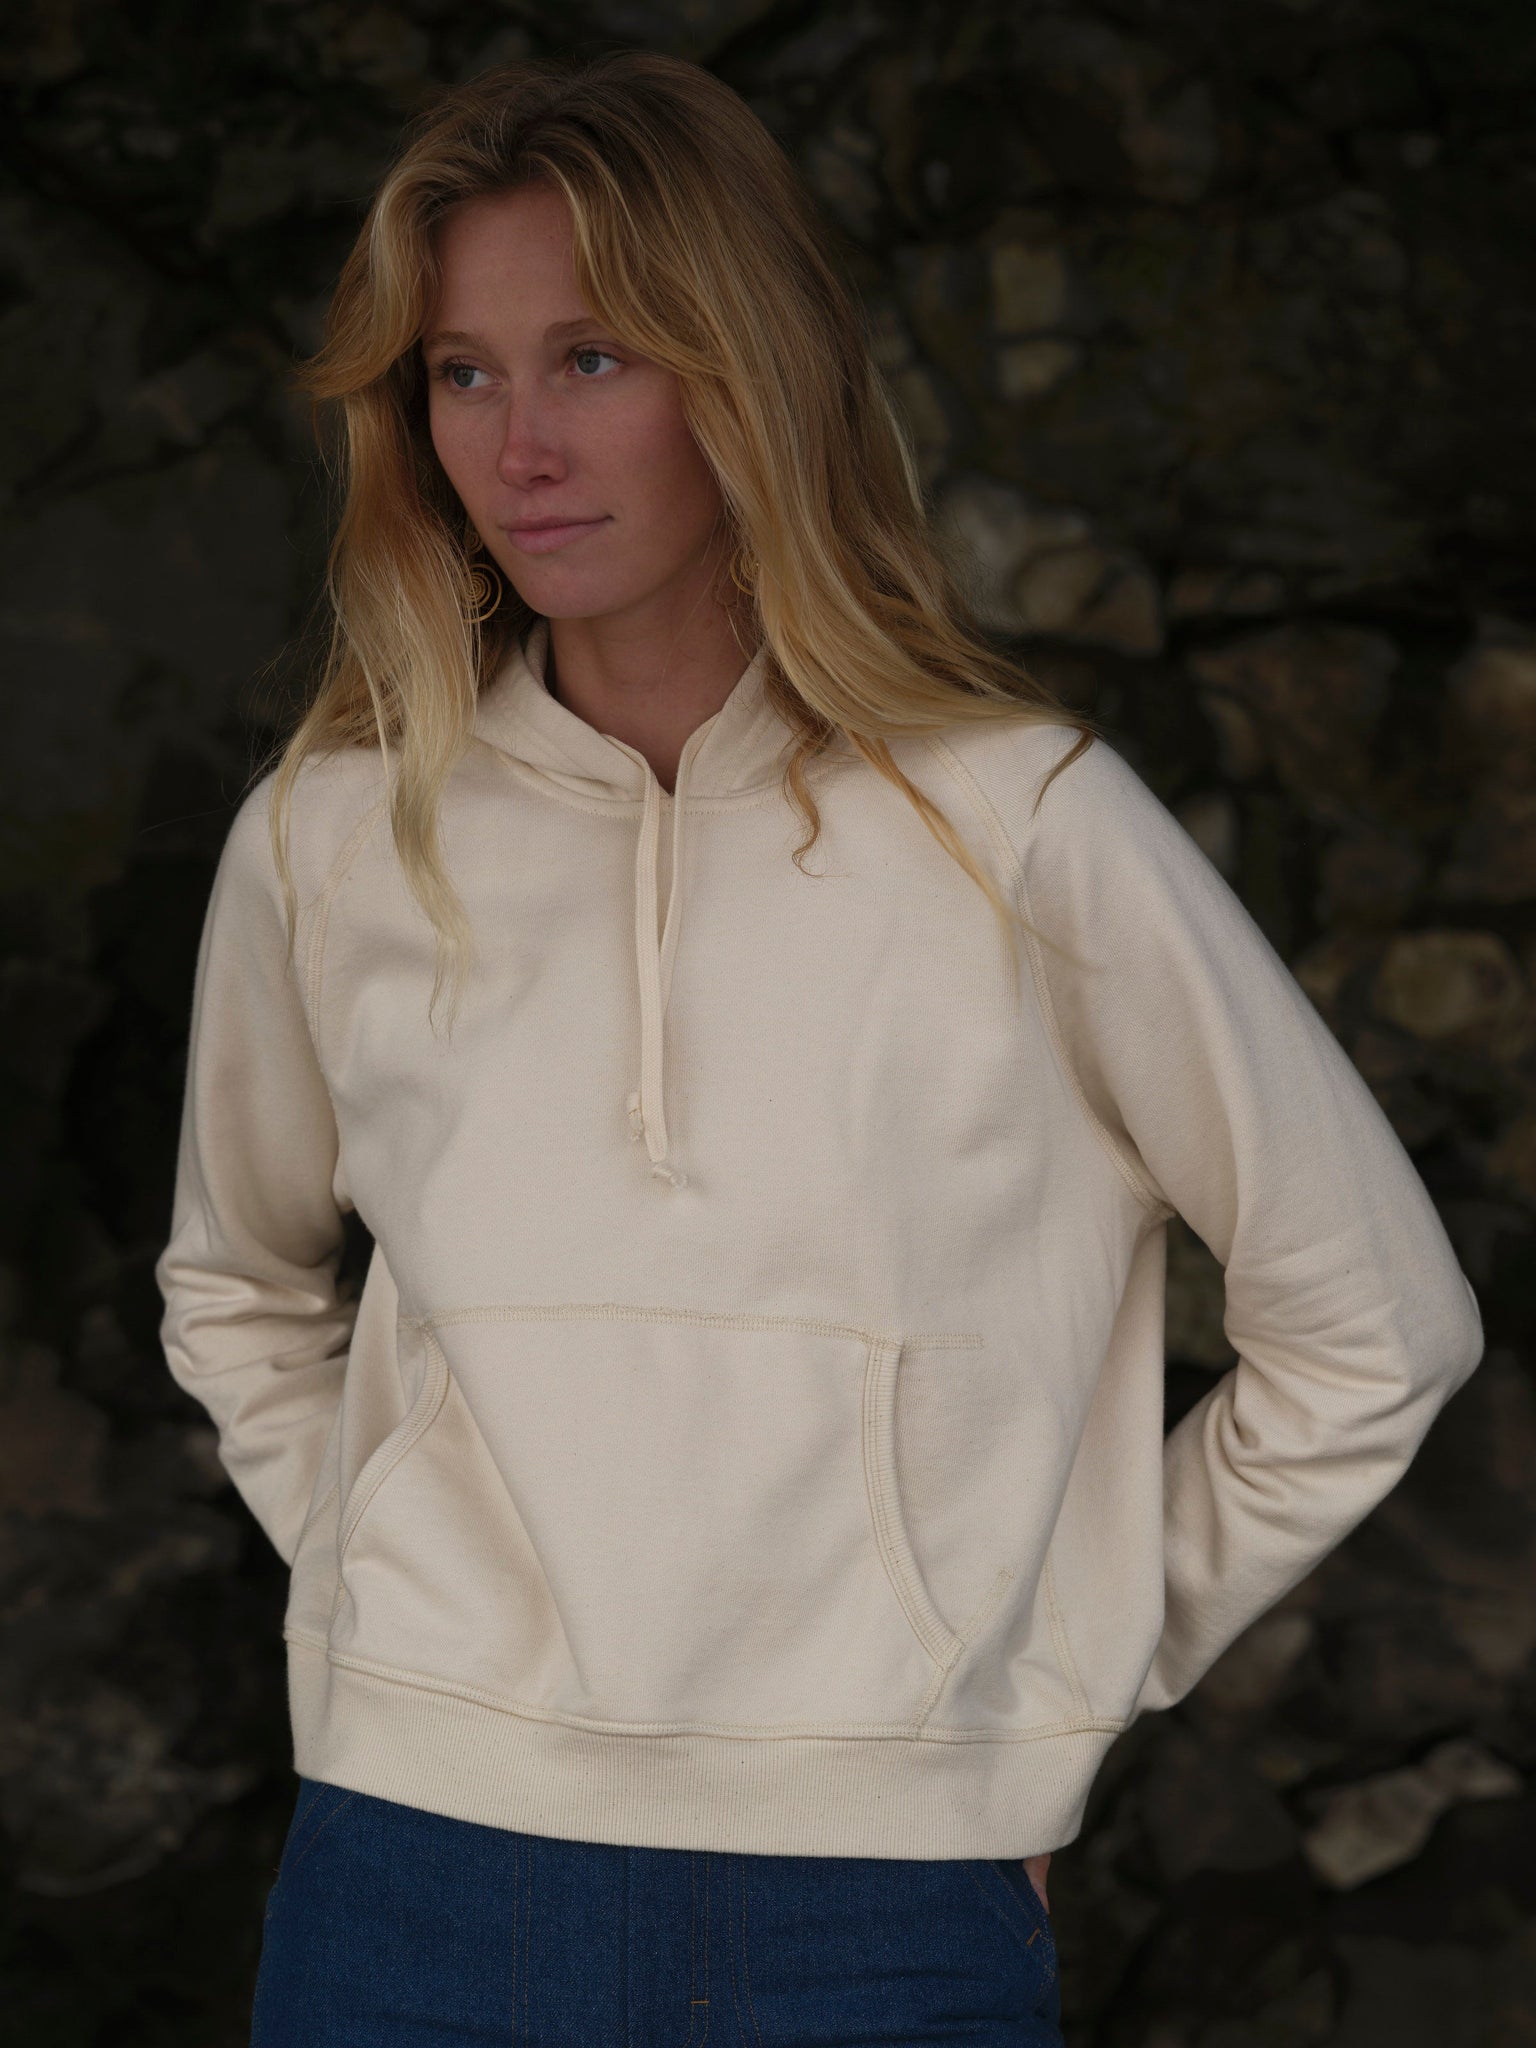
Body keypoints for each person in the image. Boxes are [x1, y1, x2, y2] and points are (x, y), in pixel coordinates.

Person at [154, 46, 1485, 2048]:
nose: (521, 443)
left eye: (594, 357)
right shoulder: (336, 836)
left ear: (748, 371)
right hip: (410, 1878)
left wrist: (1058, 1680)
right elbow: (235, 1288)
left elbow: (1379, 1327)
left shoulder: (1020, 826)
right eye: (462, 373)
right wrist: (377, 1581)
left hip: (874, 1919)